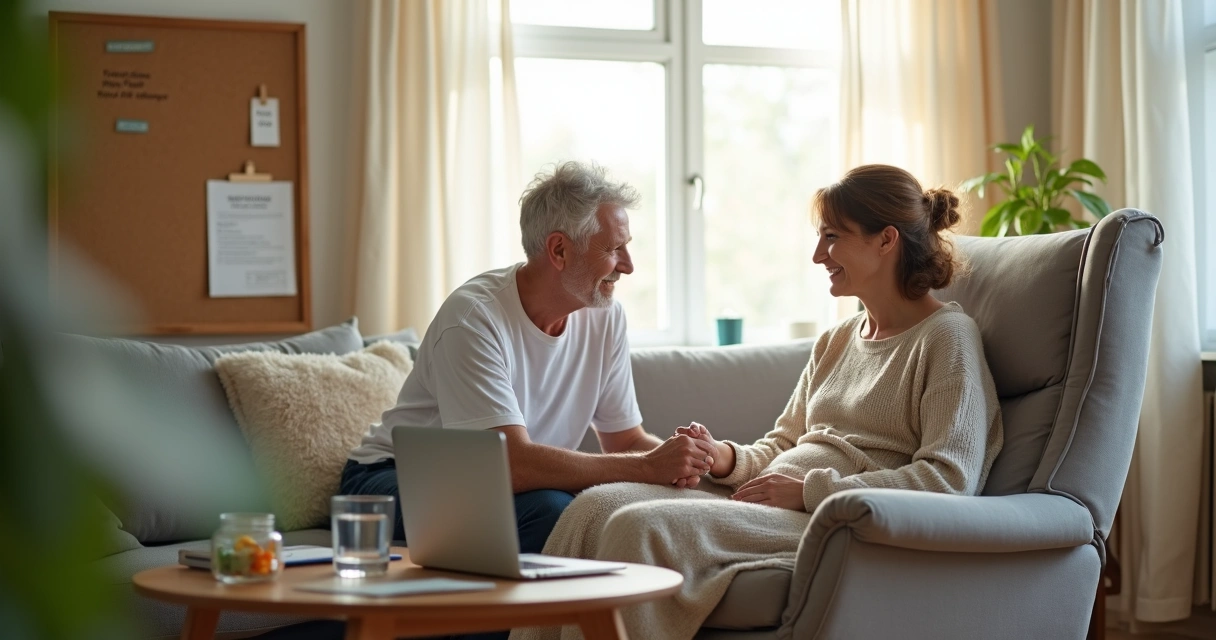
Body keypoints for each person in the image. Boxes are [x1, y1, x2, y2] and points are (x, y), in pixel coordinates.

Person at [509, 164, 1005, 640]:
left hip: (829, 518)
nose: (818, 254)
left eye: (832, 236)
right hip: (775, 503)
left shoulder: (946, 338)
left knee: (641, 528)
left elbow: (948, 480)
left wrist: (809, 492)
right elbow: (784, 442)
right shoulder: (836, 340)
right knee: (593, 507)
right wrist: (724, 458)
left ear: (886, 239)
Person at [339, 161, 716, 555]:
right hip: (392, 478)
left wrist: (691, 471)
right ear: (559, 250)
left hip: (496, 479)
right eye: (613, 248)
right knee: (553, 510)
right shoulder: (474, 318)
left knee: (584, 506)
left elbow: (625, 440)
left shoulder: (605, 316)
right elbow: (508, 464)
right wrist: (646, 468)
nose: (628, 265)